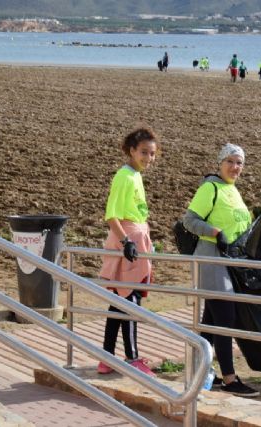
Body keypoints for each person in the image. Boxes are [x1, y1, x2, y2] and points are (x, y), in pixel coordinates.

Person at [182, 143, 259, 397]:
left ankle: (200, 370)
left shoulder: (233, 190)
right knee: (225, 317)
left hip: (228, 262)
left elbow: (240, 223)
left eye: (239, 163)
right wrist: (215, 232)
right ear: (220, 162)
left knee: (212, 321)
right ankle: (229, 378)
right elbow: (190, 220)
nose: (235, 167)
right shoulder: (210, 188)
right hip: (211, 259)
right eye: (231, 161)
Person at [96, 127, 158, 377]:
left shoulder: (135, 175)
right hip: (128, 241)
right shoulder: (125, 176)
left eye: (152, 154)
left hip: (135, 238)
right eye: (144, 152)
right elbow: (111, 215)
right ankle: (132, 358)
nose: (148, 158)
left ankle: (106, 357)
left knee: (118, 301)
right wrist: (126, 242)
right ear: (132, 150)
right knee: (129, 300)